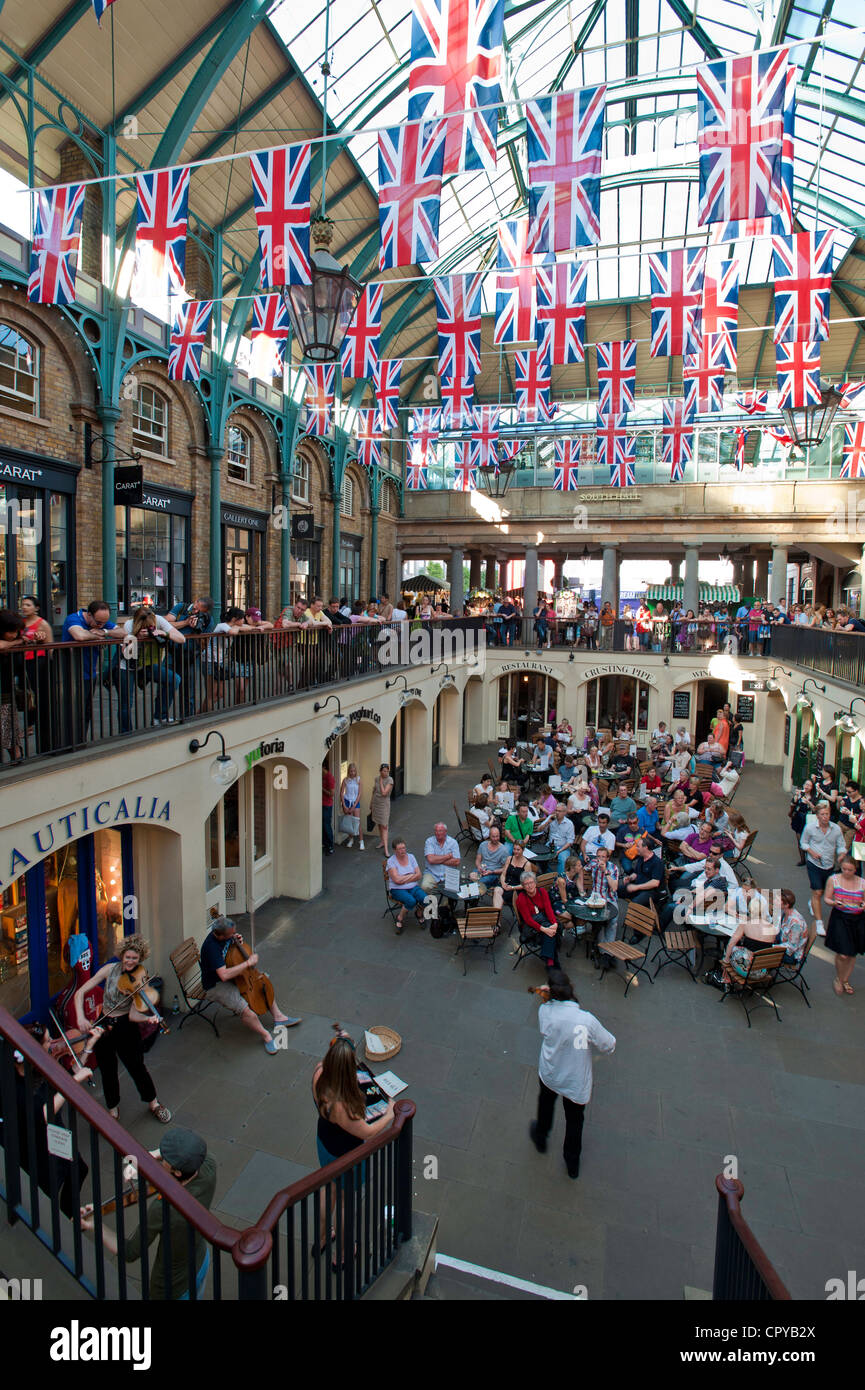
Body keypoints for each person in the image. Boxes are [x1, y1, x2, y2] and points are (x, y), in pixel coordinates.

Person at [80, 1128, 217, 1300]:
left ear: (178, 1172)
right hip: (200, 1261)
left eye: (166, 1159)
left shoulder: (163, 1210)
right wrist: (149, 1158)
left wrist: (94, 1224)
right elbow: (181, 1162)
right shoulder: (208, 1167)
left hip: (173, 1288)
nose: (163, 1158)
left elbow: (130, 1252)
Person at [311, 1031, 396, 1262]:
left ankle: (321, 1238)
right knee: (346, 1201)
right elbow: (367, 1132)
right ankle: (343, 1253)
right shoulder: (344, 1105)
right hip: (346, 1154)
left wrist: (343, 1041)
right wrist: (389, 1114)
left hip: (324, 1143)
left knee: (328, 1188)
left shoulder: (319, 1073)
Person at [73, 935, 172, 1122]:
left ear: (140, 959)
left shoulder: (140, 978)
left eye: (135, 958)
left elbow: (134, 1015)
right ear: (121, 955)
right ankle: (112, 1109)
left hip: (125, 1026)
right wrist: (80, 1017)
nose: (130, 961)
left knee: (137, 1067)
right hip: (103, 1024)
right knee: (107, 1069)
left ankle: (154, 1103)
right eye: (128, 957)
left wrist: (148, 1018)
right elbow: (79, 993)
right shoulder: (108, 970)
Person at [528, 969, 615, 1180]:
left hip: (550, 1072)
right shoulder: (586, 1020)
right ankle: (572, 1162)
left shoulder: (545, 1012)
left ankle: (541, 1136)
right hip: (575, 1080)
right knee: (575, 1120)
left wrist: (546, 997)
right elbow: (609, 1044)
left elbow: (545, 1028)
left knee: (545, 1104)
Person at [1, 1022, 93, 1218]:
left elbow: (73, 1073)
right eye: (47, 1040)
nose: (53, 1043)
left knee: (78, 1169)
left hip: (53, 1131)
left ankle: (67, 1214)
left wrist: (89, 1045)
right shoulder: (16, 1086)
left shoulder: (38, 1065)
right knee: (47, 1185)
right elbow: (42, 1114)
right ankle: (45, 1221)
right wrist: (76, 1082)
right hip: (35, 1141)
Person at [199, 915, 300, 1051]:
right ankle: (266, 1036)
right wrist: (247, 963)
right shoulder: (211, 948)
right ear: (220, 935)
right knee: (246, 1011)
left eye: (235, 932)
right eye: (231, 934)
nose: (234, 934)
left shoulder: (226, 936)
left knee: (263, 981)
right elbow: (224, 975)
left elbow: (230, 954)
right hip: (215, 985)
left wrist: (237, 941)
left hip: (231, 974)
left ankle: (279, 1017)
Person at [60, 599, 121, 743]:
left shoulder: (101, 624)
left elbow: (123, 632)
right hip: (72, 674)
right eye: (98, 622)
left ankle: (80, 741)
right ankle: (69, 743)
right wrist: (96, 634)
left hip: (90, 673)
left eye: (103, 623)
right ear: (89, 615)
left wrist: (104, 631)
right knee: (72, 711)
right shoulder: (74, 618)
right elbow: (79, 636)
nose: (101, 625)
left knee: (86, 711)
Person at [117, 604, 185, 731]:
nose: (148, 630)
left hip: (148, 664)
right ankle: (125, 733)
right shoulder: (129, 625)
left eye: (150, 627)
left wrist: (162, 633)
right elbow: (125, 653)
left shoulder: (159, 620)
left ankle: (160, 716)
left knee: (174, 679)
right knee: (126, 703)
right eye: (145, 628)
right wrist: (136, 638)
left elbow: (181, 639)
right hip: (128, 666)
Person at [800, 802, 845, 932]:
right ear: (817, 816)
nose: (825, 817)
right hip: (814, 863)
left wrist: (841, 854)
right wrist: (811, 852)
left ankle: (812, 901)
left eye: (827, 814)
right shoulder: (810, 828)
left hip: (829, 864)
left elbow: (841, 845)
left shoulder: (836, 829)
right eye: (822, 814)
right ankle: (819, 923)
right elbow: (803, 842)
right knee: (818, 891)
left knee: (823, 891)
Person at [167, 595, 215, 716]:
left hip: (190, 656)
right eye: (195, 608)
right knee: (167, 685)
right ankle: (161, 716)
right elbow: (165, 623)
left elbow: (205, 643)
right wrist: (185, 622)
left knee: (189, 690)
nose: (195, 611)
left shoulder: (208, 619)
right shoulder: (181, 607)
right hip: (171, 652)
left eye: (199, 610)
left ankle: (187, 716)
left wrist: (197, 631)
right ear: (195, 601)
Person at [824, 855, 865, 996]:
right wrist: (835, 903)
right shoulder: (833, 879)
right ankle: (839, 978)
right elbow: (827, 898)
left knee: (852, 952)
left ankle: (845, 979)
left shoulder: (862, 883)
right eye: (844, 869)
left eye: (850, 870)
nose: (847, 872)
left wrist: (862, 905)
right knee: (843, 954)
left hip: (857, 918)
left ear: (855, 869)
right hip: (840, 917)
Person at [18, 595, 53, 755]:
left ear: (36, 608)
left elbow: (50, 646)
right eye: (23, 605)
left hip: (37, 662)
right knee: (24, 694)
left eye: (28, 605)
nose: (24, 607)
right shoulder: (20, 623)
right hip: (21, 663)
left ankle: (32, 725)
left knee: (35, 694)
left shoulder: (42, 623)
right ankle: (28, 724)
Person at [515, 871, 559, 968]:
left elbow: (548, 909)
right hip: (531, 927)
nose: (529, 886)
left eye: (531, 882)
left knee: (553, 928)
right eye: (526, 884)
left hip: (544, 920)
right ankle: (551, 962)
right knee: (550, 932)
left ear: (535, 883)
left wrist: (554, 923)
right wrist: (545, 929)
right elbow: (528, 920)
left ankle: (549, 959)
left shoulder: (542, 892)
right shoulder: (521, 898)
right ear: (523, 886)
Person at [386, 839, 428, 932]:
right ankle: (400, 918)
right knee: (411, 901)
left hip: (413, 887)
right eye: (400, 849)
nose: (403, 851)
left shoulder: (411, 857)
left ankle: (419, 913)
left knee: (426, 899)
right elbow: (396, 880)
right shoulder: (391, 861)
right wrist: (412, 876)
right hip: (397, 889)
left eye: (404, 848)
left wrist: (403, 878)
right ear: (394, 850)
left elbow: (419, 875)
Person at [0, 609, 26, 762]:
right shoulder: (13, 642)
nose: (14, 635)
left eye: (16, 632)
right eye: (11, 631)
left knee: (9, 725)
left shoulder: (14, 641)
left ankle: (16, 755)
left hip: (6, 689)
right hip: (3, 688)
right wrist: (18, 642)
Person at [619, 837, 664, 910]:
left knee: (634, 905)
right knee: (616, 891)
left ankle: (633, 920)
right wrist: (630, 878)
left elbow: (655, 883)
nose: (636, 848)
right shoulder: (641, 858)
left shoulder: (657, 862)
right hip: (638, 886)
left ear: (645, 847)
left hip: (650, 891)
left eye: (637, 846)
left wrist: (637, 887)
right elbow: (636, 873)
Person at [776, 889, 812, 968]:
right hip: (783, 942)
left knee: (763, 949)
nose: (775, 900)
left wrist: (772, 947)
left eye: (778, 900)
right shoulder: (785, 913)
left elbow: (791, 947)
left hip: (791, 955)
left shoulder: (796, 924)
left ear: (786, 905)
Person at [476, 826, 510, 907]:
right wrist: (478, 867)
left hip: (493, 873)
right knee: (471, 877)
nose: (495, 838)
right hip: (482, 869)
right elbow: (478, 859)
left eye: (497, 836)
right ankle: (472, 900)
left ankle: (473, 903)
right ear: (489, 836)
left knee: (479, 883)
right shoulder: (483, 845)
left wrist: (492, 872)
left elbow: (505, 869)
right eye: (493, 836)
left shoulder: (503, 850)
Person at [422, 822, 462, 891]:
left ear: (445, 832)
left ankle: (447, 901)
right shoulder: (429, 841)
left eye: (440, 831)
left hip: (449, 873)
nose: (438, 833)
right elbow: (431, 860)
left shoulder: (453, 842)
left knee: (453, 891)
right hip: (432, 873)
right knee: (425, 886)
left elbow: (457, 861)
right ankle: (432, 901)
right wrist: (448, 856)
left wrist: (437, 860)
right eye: (436, 831)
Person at [789, 778, 818, 864]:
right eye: (806, 784)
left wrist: (808, 802)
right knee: (799, 839)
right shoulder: (800, 794)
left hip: (808, 819)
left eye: (809, 785)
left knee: (809, 840)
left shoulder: (814, 798)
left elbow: (816, 810)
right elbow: (792, 804)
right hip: (799, 817)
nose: (806, 786)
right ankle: (802, 859)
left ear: (812, 787)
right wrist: (796, 797)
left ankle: (810, 858)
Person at [369, 762, 394, 856]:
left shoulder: (390, 780)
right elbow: (374, 791)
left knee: (384, 825)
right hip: (376, 804)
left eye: (387, 771)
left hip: (384, 805)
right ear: (380, 771)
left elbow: (384, 793)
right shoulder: (376, 778)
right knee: (379, 824)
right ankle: (382, 842)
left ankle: (386, 850)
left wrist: (380, 781)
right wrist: (371, 803)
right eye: (384, 771)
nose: (386, 773)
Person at [546, 803, 577, 875]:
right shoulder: (551, 819)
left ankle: (560, 878)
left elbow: (570, 841)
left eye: (559, 811)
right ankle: (547, 873)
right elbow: (539, 830)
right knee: (541, 856)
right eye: (556, 810)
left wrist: (559, 851)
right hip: (550, 844)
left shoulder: (569, 824)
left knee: (563, 859)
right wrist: (547, 822)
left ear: (564, 813)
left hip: (563, 847)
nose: (557, 813)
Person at [339, 762, 364, 850]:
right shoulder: (345, 780)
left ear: (355, 771)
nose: (352, 773)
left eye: (354, 771)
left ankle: (361, 841)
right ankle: (351, 839)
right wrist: (344, 805)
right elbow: (341, 793)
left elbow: (360, 794)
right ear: (348, 771)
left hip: (355, 802)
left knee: (357, 821)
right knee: (349, 821)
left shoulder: (358, 779)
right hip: (347, 801)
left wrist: (354, 805)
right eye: (351, 771)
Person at [839, 781, 865, 851]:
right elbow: (839, 808)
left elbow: (860, 817)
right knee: (835, 845)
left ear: (856, 791)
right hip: (841, 823)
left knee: (845, 848)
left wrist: (850, 813)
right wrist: (840, 803)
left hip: (851, 828)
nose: (847, 793)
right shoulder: (846, 797)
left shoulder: (861, 801)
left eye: (849, 792)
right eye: (846, 791)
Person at [322, 762, 336, 855]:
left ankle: (330, 846)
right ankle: (326, 845)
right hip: (322, 804)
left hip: (327, 805)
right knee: (323, 826)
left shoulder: (329, 777)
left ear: (324, 767)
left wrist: (321, 788)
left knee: (327, 826)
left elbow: (332, 793)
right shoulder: (322, 777)